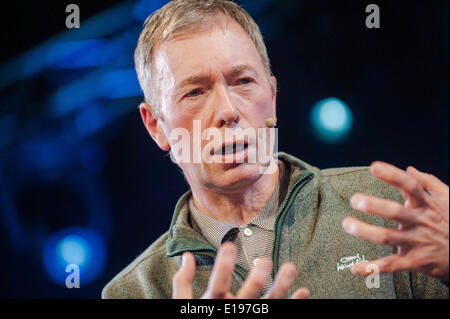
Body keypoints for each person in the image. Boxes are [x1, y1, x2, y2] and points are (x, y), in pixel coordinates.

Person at [102, 0, 448, 299]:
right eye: (194, 92)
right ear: (155, 126)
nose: (227, 111)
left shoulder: (390, 209)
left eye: (243, 81)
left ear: (272, 100)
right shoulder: (135, 291)